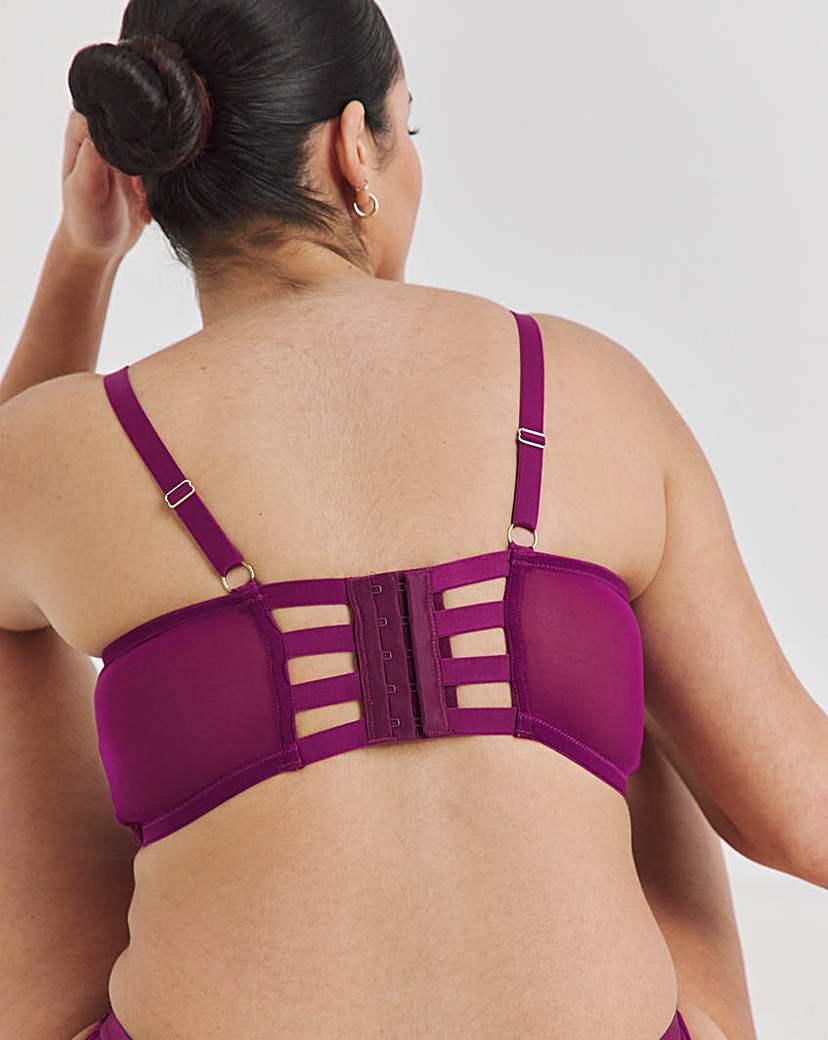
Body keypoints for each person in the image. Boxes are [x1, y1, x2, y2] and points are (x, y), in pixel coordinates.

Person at [1, 1, 824, 1037]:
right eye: (409, 125)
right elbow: (796, 817)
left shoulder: (68, 444)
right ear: (355, 148)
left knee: (8, 614)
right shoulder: (582, 385)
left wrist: (84, 254)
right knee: (616, 634)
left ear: (145, 181)